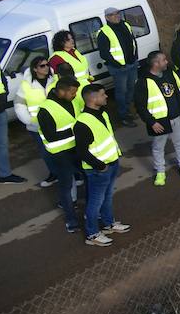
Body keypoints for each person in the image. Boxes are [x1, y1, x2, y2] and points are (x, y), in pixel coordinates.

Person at [74, 84, 129, 247]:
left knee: (107, 196)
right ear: (93, 98)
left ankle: (108, 224)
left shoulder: (102, 113)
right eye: (103, 94)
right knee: (95, 202)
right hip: (99, 170)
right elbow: (82, 152)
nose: (106, 97)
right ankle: (92, 234)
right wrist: (100, 166)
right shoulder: (82, 123)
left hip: (111, 163)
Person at [136, 51, 180, 186]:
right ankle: (160, 172)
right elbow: (140, 106)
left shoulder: (170, 74)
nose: (167, 62)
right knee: (158, 148)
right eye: (163, 60)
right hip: (159, 123)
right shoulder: (143, 82)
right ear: (156, 63)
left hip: (176, 118)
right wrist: (152, 122)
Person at [37, 78, 83, 232]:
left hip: (77, 149)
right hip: (60, 154)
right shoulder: (45, 110)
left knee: (87, 178)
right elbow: (50, 136)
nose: (75, 95)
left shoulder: (73, 100)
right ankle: (71, 220)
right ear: (61, 91)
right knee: (66, 187)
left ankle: (90, 213)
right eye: (72, 92)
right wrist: (76, 131)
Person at [12, 55, 55, 186]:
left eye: (47, 65)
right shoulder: (26, 85)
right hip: (37, 126)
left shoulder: (55, 80)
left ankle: (74, 174)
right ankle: (54, 174)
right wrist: (29, 120)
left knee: (64, 150)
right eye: (42, 66)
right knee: (46, 152)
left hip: (58, 122)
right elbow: (19, 104)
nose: (46, 68)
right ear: (35, 69)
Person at [96, 6, 140, 126]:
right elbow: (104, 53)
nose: (116, 16)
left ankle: (130, 110)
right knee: (121, 92)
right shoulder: (103, 32)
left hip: (131, 64)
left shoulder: (126, 25)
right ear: (106, 18)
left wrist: (135, 57)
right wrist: (118, 64)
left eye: (117, 13)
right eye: (112, 15)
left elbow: (133, 42)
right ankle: (123, 116)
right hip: (119, 68)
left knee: (131, 89)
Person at [48, 29, 90, 97]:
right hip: (74, 91)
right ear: (61, 42)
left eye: (72, 38)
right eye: (68, 39)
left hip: (86, 86)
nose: (72, 40)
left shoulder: (74, 51)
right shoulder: (56, 58)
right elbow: (60, 79)